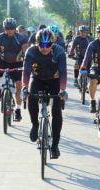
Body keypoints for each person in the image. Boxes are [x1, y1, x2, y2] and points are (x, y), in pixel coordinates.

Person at [22, 28, 67, 158]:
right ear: (37, 43)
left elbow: (63, 73)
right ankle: (35, 125)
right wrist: (25, 87)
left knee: (56, 111)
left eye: (48, 45)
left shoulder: (59, 52)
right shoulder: (31, 52)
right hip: (37, 79)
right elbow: (25, 71)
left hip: (55, 80)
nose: (45, 48)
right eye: (42, 45)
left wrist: (62, 90)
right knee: (31, 97)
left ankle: (55, 146)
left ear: (53, 44)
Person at [0, 18, 28, 121]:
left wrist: (27, 63)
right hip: (2, 61)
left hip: (17, 63)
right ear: (4, 28)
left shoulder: (21, 38)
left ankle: (18, 110)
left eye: (12, 28)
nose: (9, 30)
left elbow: (26, 51)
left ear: (15, 29)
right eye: (7, 28)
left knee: (18, 87)